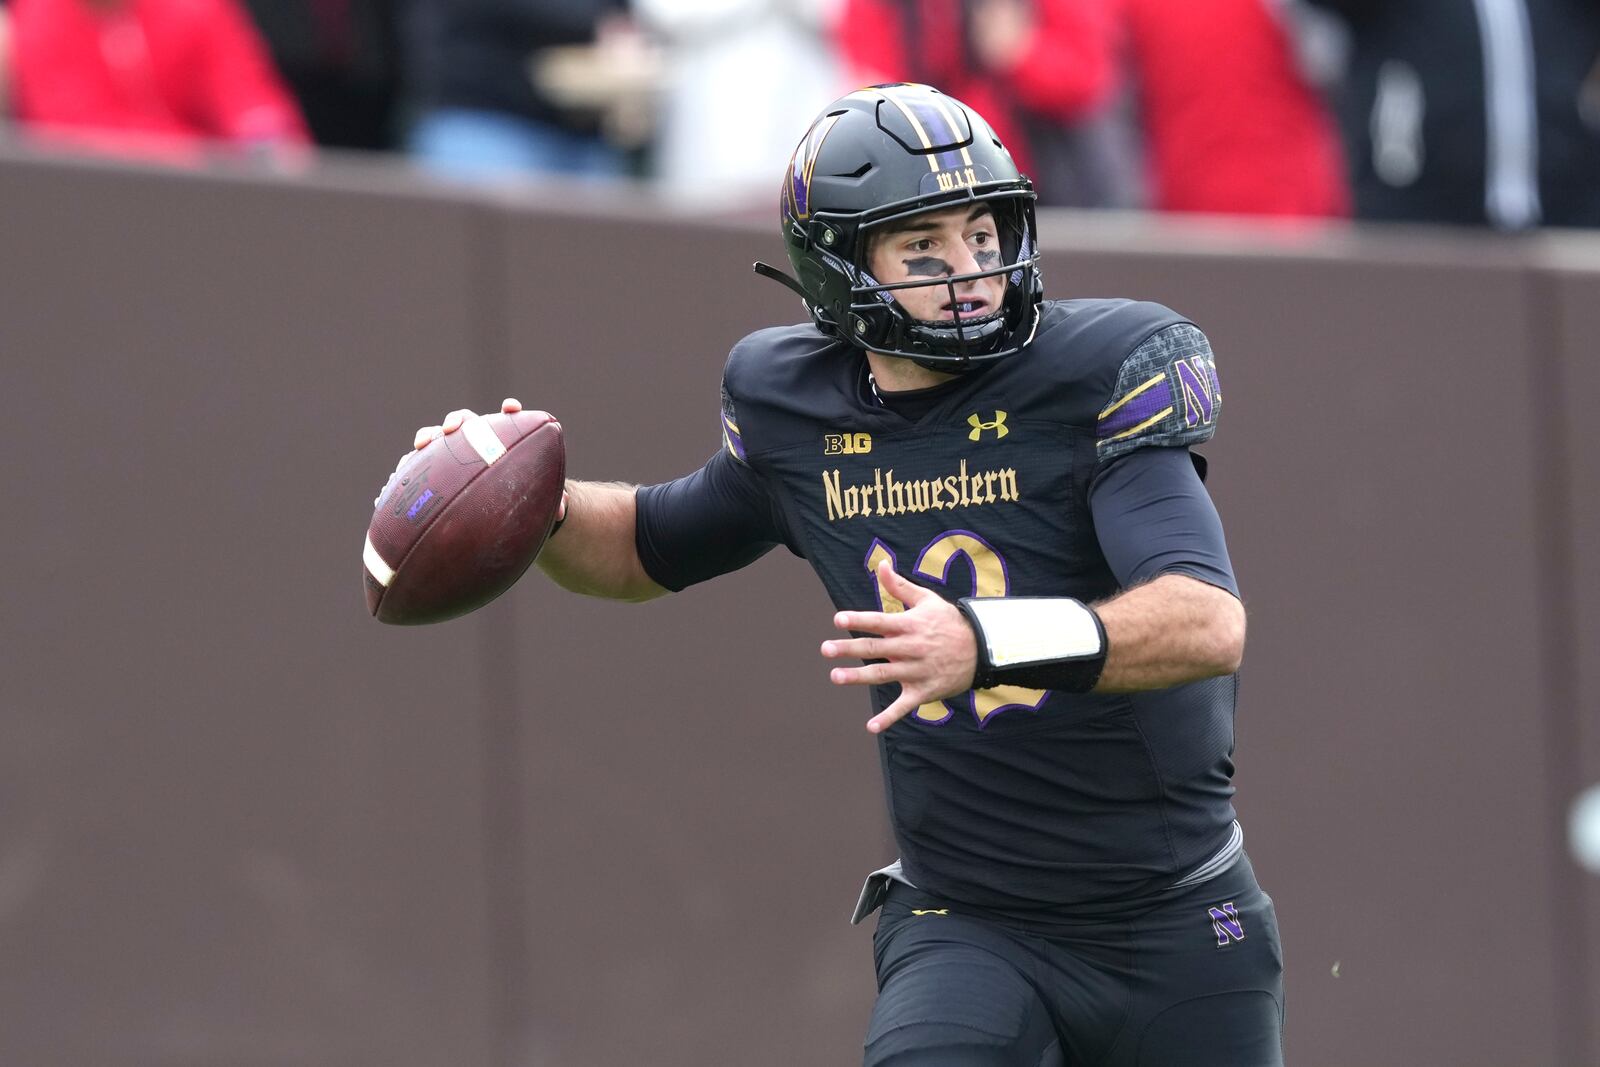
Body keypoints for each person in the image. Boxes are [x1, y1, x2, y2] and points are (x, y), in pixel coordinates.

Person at [406, 82, 1283, 1065]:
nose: (972, 270)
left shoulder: (1102, 369)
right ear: (838, 268)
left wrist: (986, 643)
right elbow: (648, 546)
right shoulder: (792, 405)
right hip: (971, 919)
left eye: (983, 234)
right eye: (924, 248)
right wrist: (536, 503)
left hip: (1177, 916)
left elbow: (1207, 620)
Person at [1, 0, 310, 163]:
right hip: (82, 218)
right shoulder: (36, 17)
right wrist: (208, 159)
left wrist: (269, 150)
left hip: (202, 216)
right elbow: (73, 139)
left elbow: (254, 106)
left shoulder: (196, 9)